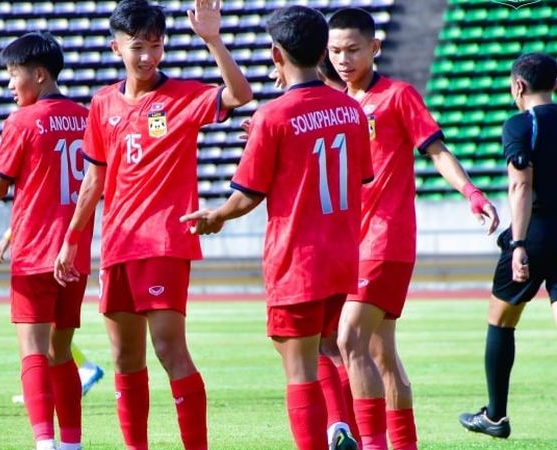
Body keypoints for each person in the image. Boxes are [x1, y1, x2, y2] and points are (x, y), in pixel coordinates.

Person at [54, 1, 252, 448]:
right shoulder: (102, 103)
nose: (147, 57)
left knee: (169, 350)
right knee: (125, 359)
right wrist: (72, 239)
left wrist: (213, 40)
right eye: (138, 47)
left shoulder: (183, 96)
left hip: (164, 242)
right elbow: (94, 178)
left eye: (156, 46)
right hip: (118, 244)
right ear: (116, 47)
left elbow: (240, 95)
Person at [182, 6, 370, 449]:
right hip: (341, 254)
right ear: (324, 52)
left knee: (297, 365)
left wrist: (216, 216)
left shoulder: (274, 116)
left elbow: (247, 195)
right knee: (327, 348)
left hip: (297, 259)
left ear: (275, 54)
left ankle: (324, 435)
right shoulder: (350, 109)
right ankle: (342, 427)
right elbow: (356, 175)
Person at [327, 8, 499, 450]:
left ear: (375, 48)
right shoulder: (339, 104)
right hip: (350, 242)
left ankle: (373, 445)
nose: (343, 59)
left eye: (352, 49)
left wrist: (471, 192)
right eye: (335, 51)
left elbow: (436, 151)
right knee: (381, 354)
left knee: (348, 338)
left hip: (385, 239)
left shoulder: (398, 96)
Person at [0, 31, 95, 450]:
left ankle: (43, 442)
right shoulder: (87, 117)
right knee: (61, 351)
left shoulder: (23, 120)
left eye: (14, 75)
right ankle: (71, 444)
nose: (11, 84)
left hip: (33, 253)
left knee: (32, 349)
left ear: (39, 75)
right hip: (75, 254)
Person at [459, 53, 557, 439]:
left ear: (518, 86)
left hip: (535, 232)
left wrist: (517, 243)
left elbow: (520, 184)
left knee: (501, 319)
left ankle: (495, 416)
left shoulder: (521, 124)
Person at [0, 227, 105, 406]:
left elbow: (38, 208)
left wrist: (7, 238)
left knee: (38, 329)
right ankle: (43, 386)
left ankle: (42, 388)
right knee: (43, 329)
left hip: (48, 253)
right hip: (53, 250)